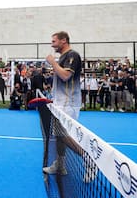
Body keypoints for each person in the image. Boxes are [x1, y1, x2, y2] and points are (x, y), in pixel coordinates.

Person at [43, 31, 96, 182]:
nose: (52, 44)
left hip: (69, 103)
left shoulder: (73, 55)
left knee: (62, 135)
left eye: (54, 41)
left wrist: (53, 62)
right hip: (59, 103)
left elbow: (66, 76)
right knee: (59, 136)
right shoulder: (63, 58)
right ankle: (60, 164)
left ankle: (89, 159)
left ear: (63, 41)